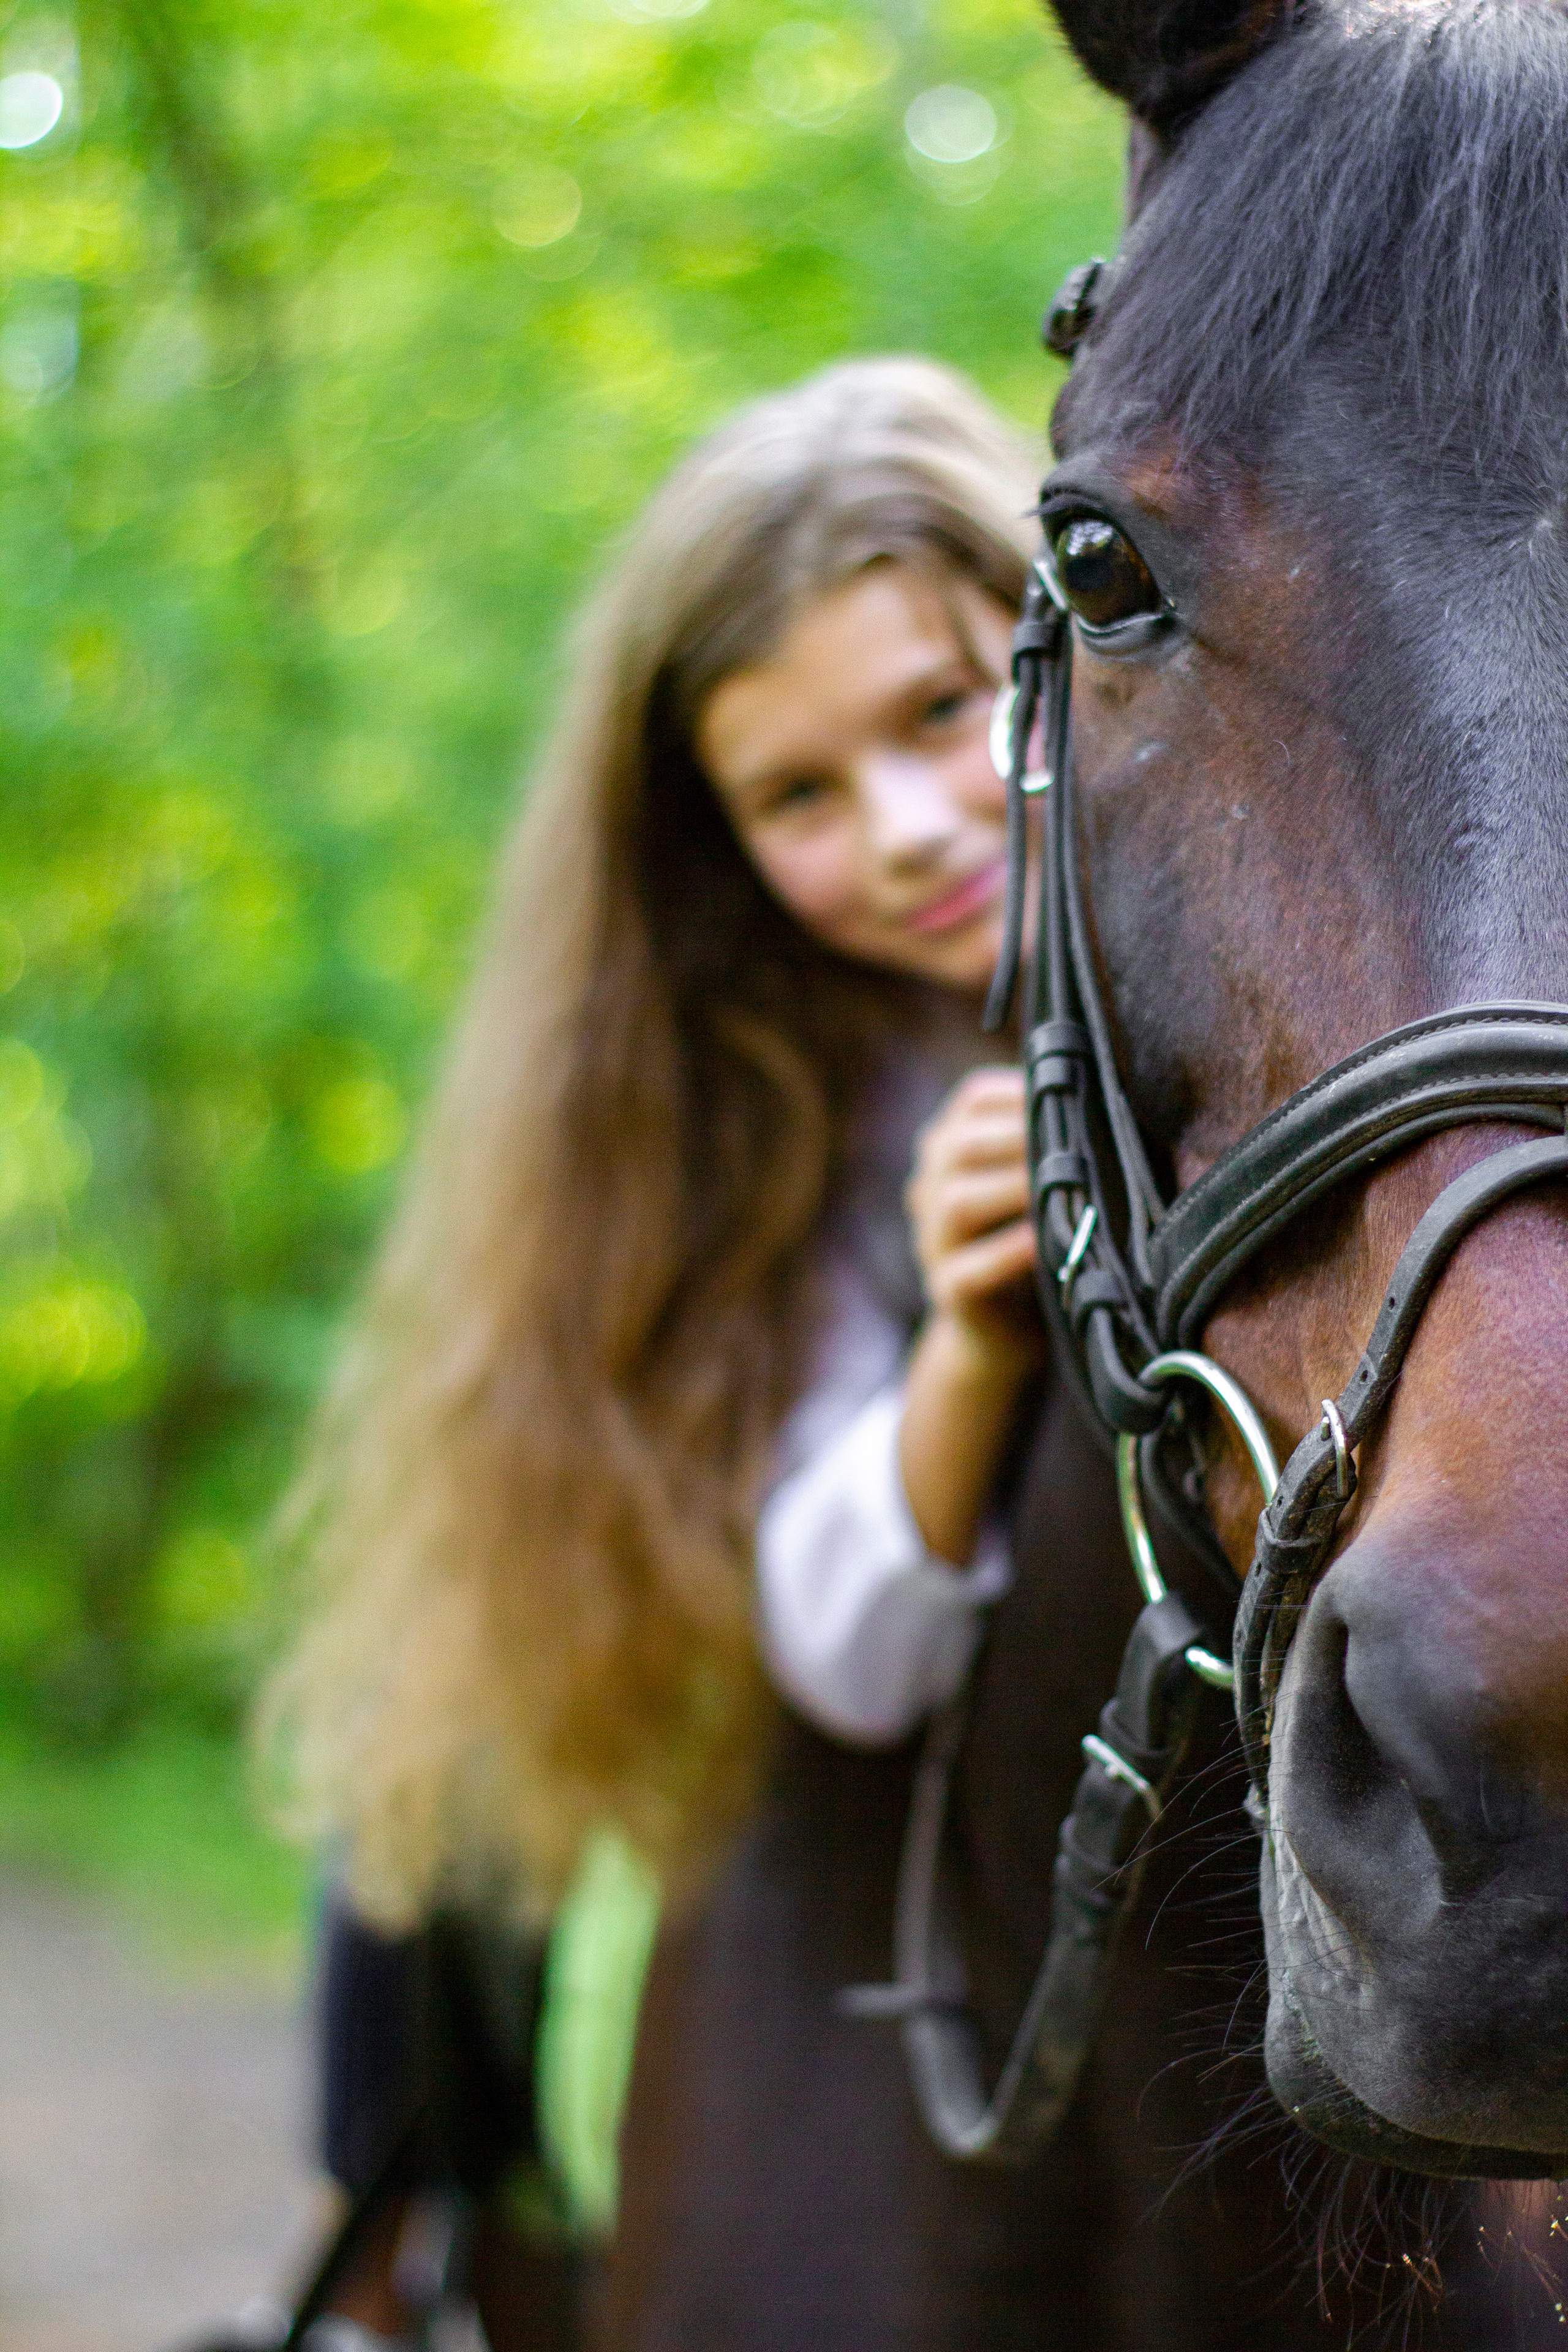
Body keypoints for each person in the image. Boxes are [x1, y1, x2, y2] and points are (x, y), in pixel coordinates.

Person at [266, 355, 1045, 2348]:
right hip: (847, 1769)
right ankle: (404, 2247)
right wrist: (964, 1350)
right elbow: (846, 1639)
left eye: (945, 712)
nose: (899, 829)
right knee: (431, 1796)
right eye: (797, 792)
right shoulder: (780, 1102)